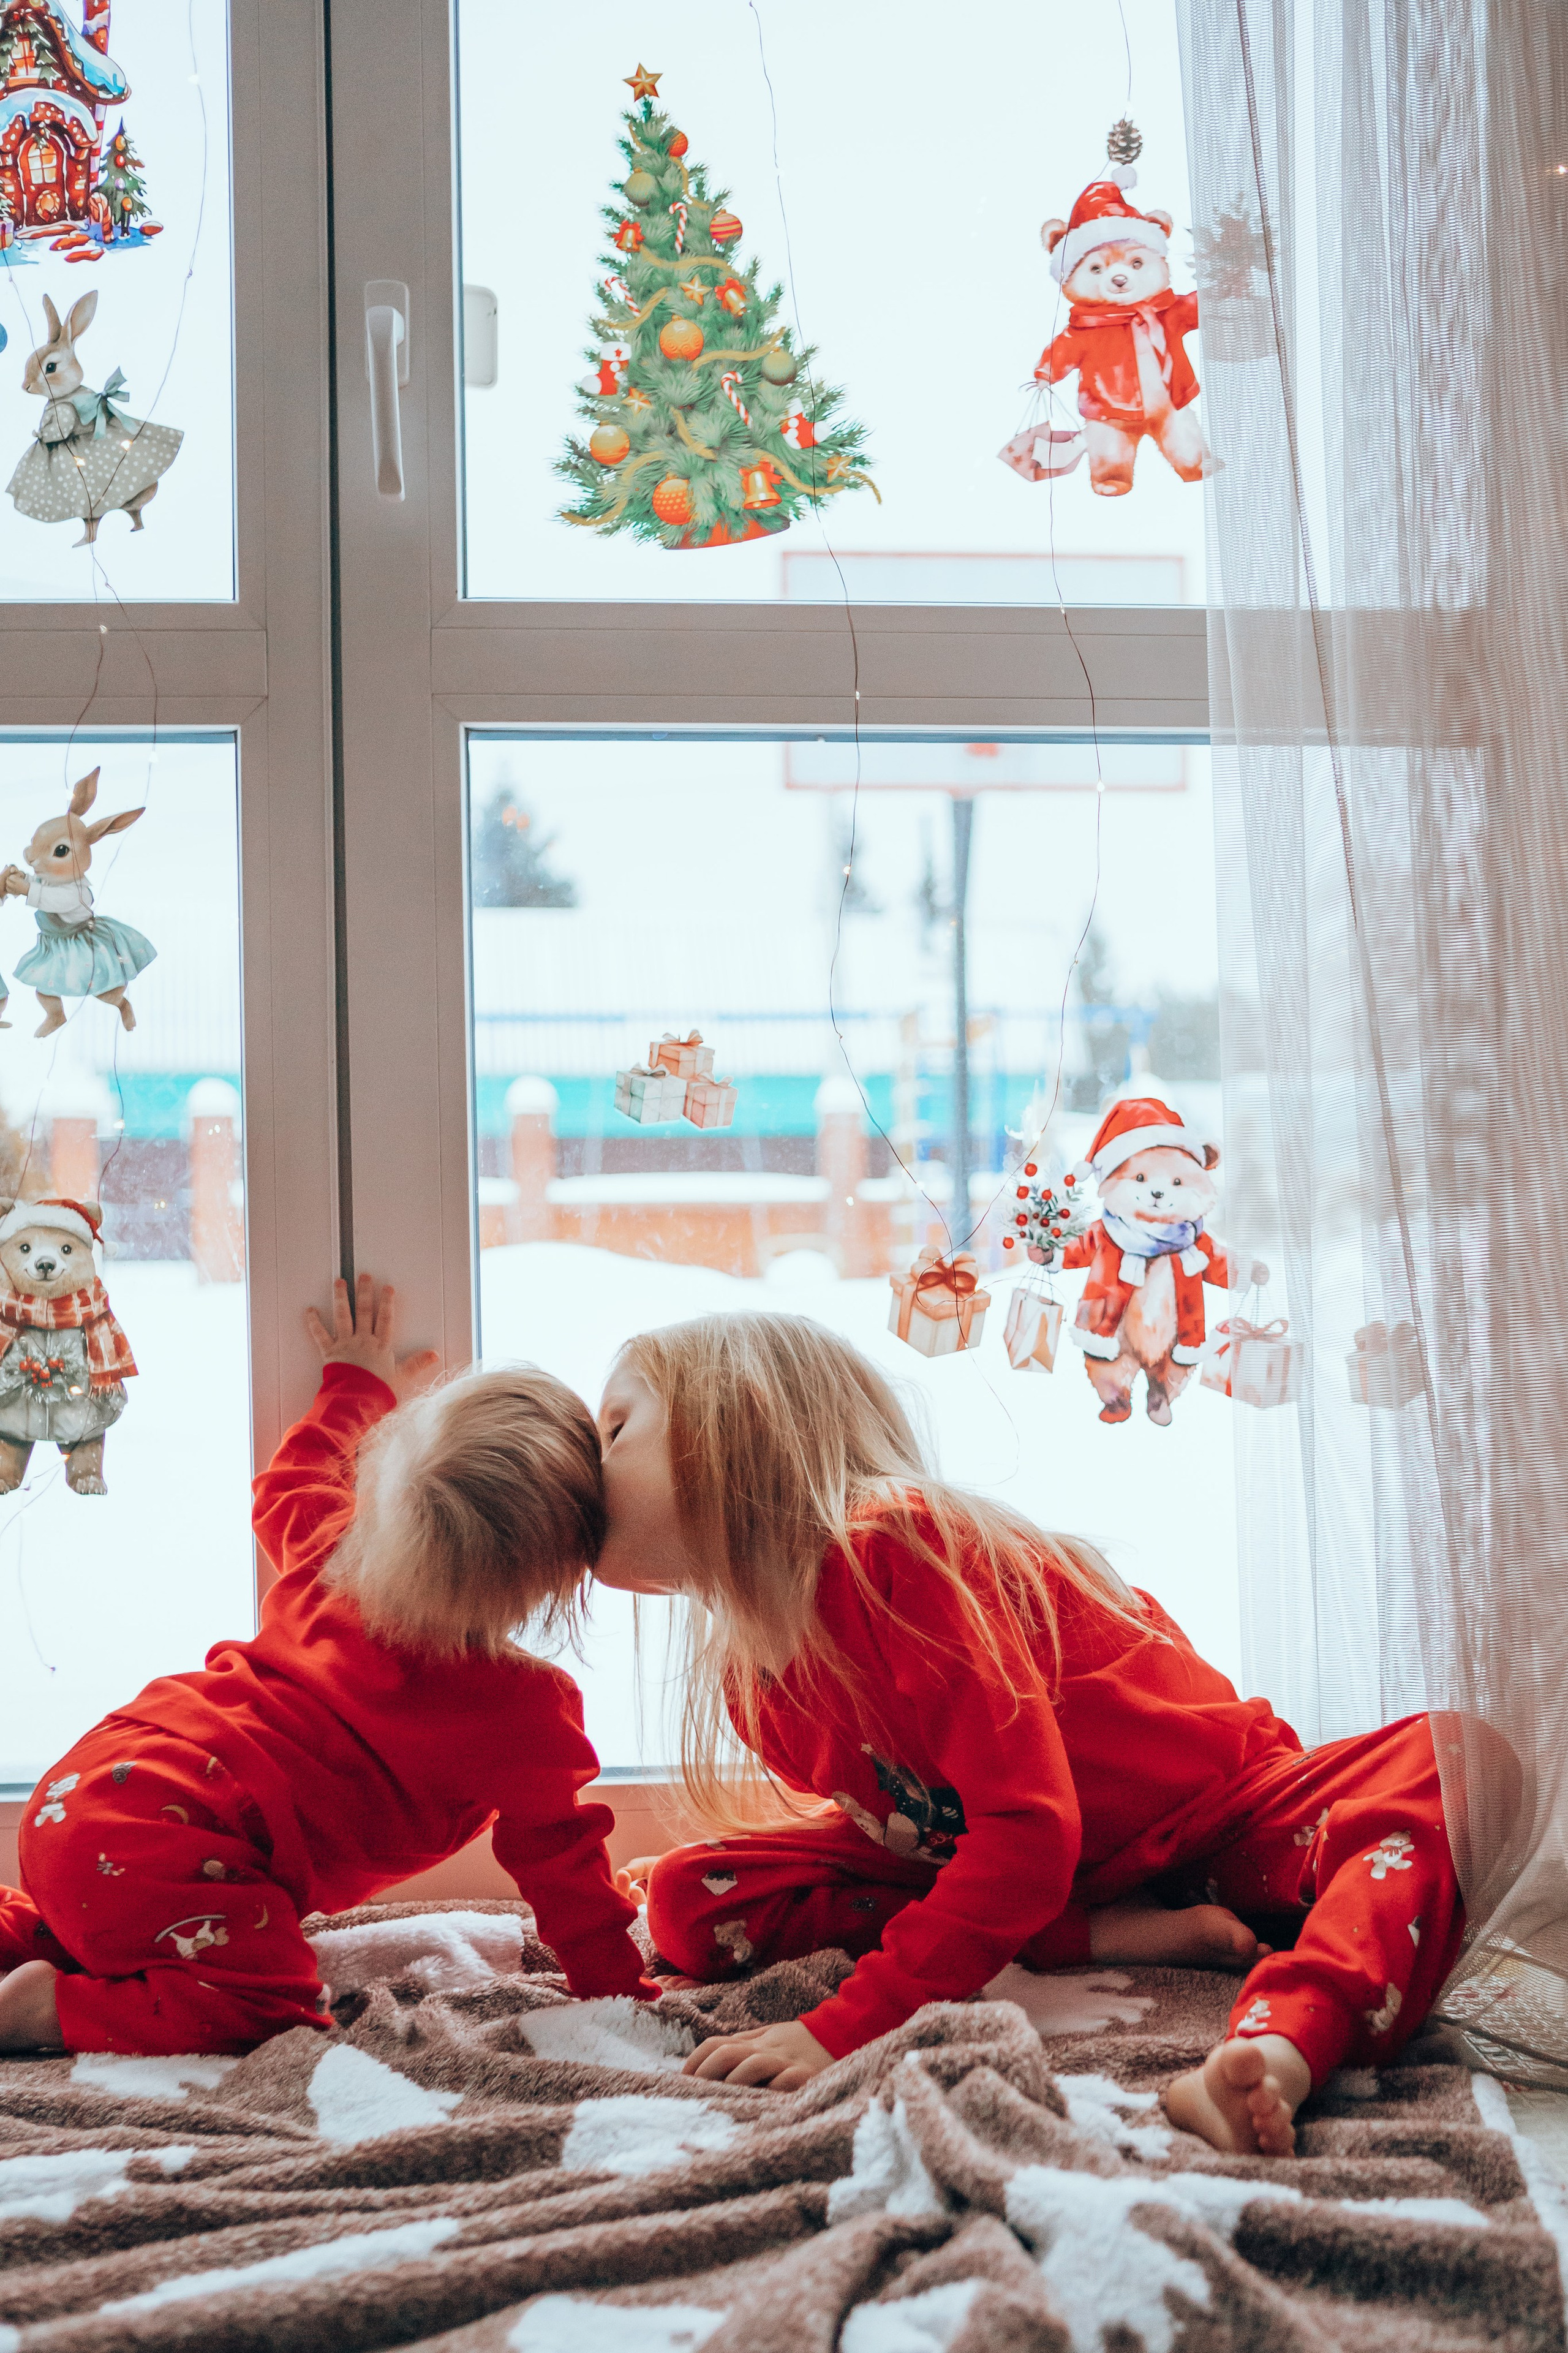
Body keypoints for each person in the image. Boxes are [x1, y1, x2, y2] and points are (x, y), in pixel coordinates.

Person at [594, 1313, 1463, 2156]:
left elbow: (1028, 1827)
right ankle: (1092, 1930)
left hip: (1213, 1817)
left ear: (733, 1425)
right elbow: (921, 1823)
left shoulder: (894, 1544)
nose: (588, 1462)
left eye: (615, 1427)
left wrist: (845, 2026)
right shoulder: (754, 1682)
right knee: (690, 1897)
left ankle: (1283, 2044)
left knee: (1456, 1766)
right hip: (1038, 1858)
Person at [0, 1274, 656, 2055]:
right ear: (562, 1567)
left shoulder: (328, 1550)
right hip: (168, 1845)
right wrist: (621, 1992)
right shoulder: (524, 1714)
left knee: (111, 1914)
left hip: (87, 1789)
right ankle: (42, 2011)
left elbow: (287, 1484)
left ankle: (21, 1938)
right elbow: (567, 1875)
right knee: (268, 2008)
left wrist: (357, 1383)